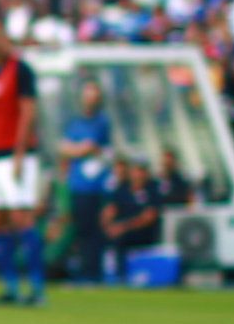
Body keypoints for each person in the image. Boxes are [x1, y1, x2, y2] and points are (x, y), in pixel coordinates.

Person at [0, 17, 44, 305]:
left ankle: (37, 289)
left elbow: (28, 113)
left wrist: (19, 153)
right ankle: (11, 286)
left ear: (6, 39)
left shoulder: (21, 70)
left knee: (22, 218)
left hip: (16, 156)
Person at [59, 80, 112, 285]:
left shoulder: (102, 122)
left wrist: (79, 149)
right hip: (78, 184)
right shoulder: (76, 123)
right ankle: (82, 271)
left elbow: (94, 148)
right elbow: (66, 148)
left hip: (95, 186)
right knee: (80, 229)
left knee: (93, 231)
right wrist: (79, 149)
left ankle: (93, 273)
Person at [101, 155, 163, 281]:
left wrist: (123, 227)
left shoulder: (153, 189)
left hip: (144, 232)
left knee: (121, 238)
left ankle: (121, 276)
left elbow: (149, 217)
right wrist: (107, 225)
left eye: (142, 171)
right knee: (99, 237)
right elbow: (111, 209)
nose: (139, 175)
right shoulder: (123, 189)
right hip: (122, 228)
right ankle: (96, 274)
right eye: (136, 171)